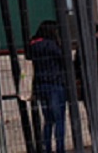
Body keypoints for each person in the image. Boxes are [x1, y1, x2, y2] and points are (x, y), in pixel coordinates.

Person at [28, 20, 66, 153]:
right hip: (55, 84)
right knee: (59, 119)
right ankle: (60, 147)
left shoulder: (33, 45)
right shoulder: (52, 45)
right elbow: (63, 60)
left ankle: (46, 147)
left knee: (48, 119)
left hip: (40, 85)